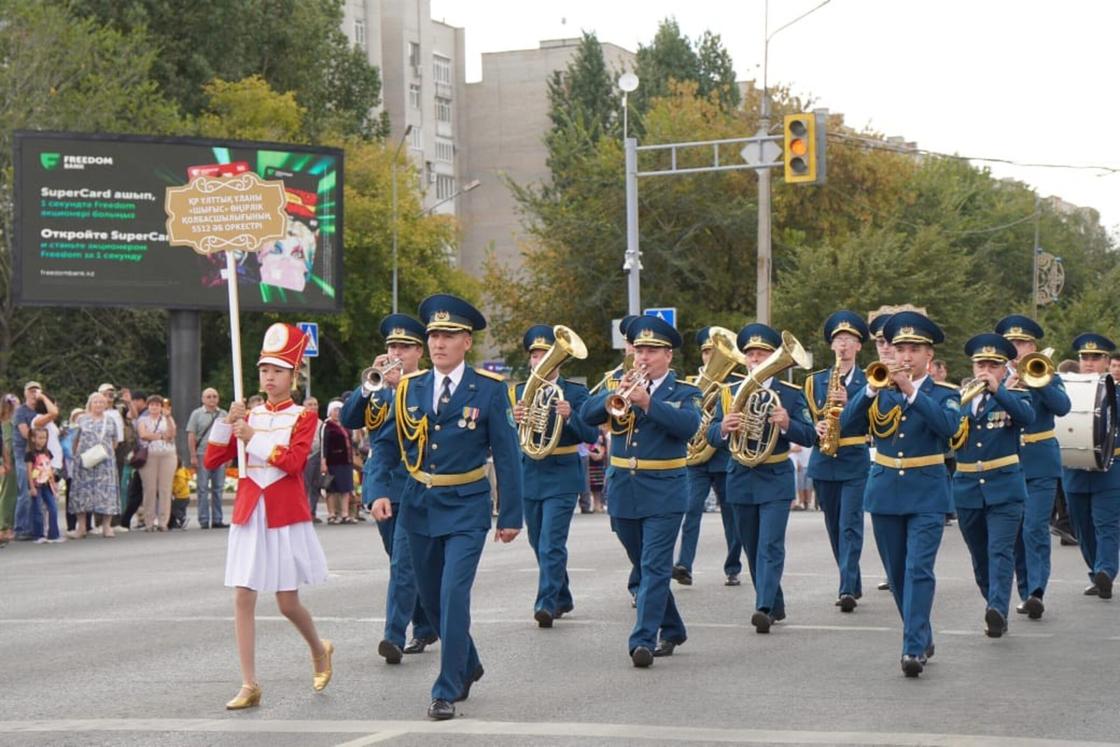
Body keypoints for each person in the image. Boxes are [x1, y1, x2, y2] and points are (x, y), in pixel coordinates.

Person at [369, 294, 522, 720]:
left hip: (466, 507)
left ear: (466, 342)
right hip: (418, 505)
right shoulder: (409, 390)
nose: (438, 343)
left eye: (448, 336)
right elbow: (385, 447)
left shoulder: (490, 391)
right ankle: (467, 663)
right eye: (434, 335)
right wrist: (378, 490)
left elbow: (508, 456)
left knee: (454, 595)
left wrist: (510, 515)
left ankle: (446, 688)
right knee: (433, 601)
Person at [205, 322, 332, 710]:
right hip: (249, 512)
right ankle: (249, 683)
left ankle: (319, 648)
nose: (269, 377)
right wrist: (228, 422)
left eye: (277, 370)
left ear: (294, 375)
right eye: (264, 370)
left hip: (283, 513)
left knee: (287, 602)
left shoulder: (304, 416)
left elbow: (293, 463)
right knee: (243, 595)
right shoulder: (249, 413)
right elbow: (212, 459)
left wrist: (251, 437)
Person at [841, 311, 959, 677]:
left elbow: (948, 428)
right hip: (886, 491)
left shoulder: (945, 394)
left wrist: (911, 391)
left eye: (914, 349)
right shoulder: (878, 390)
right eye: (900, 348)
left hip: (927, 491)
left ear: (928, 356)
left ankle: (912, 648)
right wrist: (870, 390)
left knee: (918, 569)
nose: (905, 356)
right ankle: (920, 632)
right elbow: (846, 425)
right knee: (896, 574)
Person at [582, 315, 701, 665]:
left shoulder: (685, 392)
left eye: (651, 350)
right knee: (646, 564)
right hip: (623, 490)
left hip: (665, 491)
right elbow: (583, 417)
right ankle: (673, 627)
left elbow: (689, 426)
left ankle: (643, 640)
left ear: (668, 355)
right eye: (639, 349)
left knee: (653, 566)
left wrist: (648, 403)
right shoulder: (616, 382)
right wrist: (612, 395)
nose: (643, 357)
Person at [339, 313, 437, 663]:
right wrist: (369, 386)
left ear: (419, 352)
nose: (396, 352)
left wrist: (399, 388)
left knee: (404, 564)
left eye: (404, 347)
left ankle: (393, 636)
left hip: (414, 482)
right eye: (392, 346)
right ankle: (425, 626)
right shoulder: (377, 386)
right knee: (402, 560)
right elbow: (349, 418)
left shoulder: (428, 384)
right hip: (382, 482)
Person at [707, 323, 816, 634]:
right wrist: (724, 428)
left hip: (775, 475)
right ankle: (774, 602)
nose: (756, 359)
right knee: (751, 546)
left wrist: (786, 424)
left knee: (770, 543)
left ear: (773, 357)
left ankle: (763, 606)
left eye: (762, 354)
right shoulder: (728, 392)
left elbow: (809, 436)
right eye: (751, 354)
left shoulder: (791, 395)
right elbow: (710, 435)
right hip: (740, 476)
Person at [511, 324, 598, 628]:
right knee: (538, 542)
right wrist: (515, 420)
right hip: (531, 473)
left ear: (558, 360)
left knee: (551, 543)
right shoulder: (519, 390)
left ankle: (546, 604)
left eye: (545, 355)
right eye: (534, 356)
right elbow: (508, 436)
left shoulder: (575, 392)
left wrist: (571, 416)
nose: (538, 361)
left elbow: (591, 434)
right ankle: (562, 595)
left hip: (562, 473)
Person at [950, 333, 1034, 638]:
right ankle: (992, 601)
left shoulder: (1017, 394)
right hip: (967, 486)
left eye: (992, 365)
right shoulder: (959, 399)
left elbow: (1027, 416)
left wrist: (1000, 391)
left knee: (1000, 550)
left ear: (1004, 368)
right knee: (979, 554)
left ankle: (997, 609)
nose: (985, 369)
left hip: (1005, 487)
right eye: (980, 364)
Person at [996, 315, 1070, 620]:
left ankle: (1037, 590)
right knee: (1014, 533)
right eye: (1012, 344)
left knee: (1035, 528)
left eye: (1022, 343)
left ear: (1033, 346)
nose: (1017, 348)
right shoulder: (997, 376)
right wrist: (1004, 389)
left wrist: (1037, 383)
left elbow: (1062, 407)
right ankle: (1027, 592)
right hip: (1008, 462)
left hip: (1040, 460)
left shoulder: (1046, 372)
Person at [804, 311, 871, 612]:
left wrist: (850, 401)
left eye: (849, 340)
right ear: (832, 346)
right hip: (824, 458)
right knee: (833, 526)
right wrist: (813, 429)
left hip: (854, 458)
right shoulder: (815, 381)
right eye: (838, 340)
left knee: (850, 525)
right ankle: (852, 580)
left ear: (859, 346)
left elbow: (877, 420)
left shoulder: (870, 381)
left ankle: (845, 587)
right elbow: (804, 418)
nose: (843, 345)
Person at [675, 326, 744, 588]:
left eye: (714, 352)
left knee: (731, 515)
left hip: (725, 457)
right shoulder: (691, 383)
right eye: (706, 352)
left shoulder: (735, 385)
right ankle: (685, 565)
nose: (709, 356)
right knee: (691, 510)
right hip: (697, 460)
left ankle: (733, 567)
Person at [1061, 333, 1120, 600]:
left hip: (1110, 468)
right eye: (1085, 358)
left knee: (1106, 523)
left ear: (1107, 363)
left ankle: (1106, 571)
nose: (1089, 363)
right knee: (1082, 526)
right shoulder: (1065, 393)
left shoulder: (1116, 393)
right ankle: (1096, 572)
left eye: (1096, 358)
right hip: (1074, 469)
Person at [68, 392, 120, 539]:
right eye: (95, 402)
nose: (98, 405)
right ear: (90, 404)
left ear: (106, 405)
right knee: (82, 492)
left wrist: (104, 452)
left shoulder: (110, 420)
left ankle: (106, 526)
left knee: (106, 492)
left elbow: (115, 441)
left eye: (101, 402)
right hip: (84, 461)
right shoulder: (81, 419)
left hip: (105, 461)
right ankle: (82, 527)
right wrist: (77, 455)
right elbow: (74, 440)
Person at [187, 388, 229, 529]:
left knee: (218, 488)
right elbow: (191, 435)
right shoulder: (197, 414)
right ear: (203, 399)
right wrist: (193, 455)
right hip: (202, 453)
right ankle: (203, 520)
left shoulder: (224, 414)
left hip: (220, 455)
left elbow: (229, 435)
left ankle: (217, 519)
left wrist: (229, 456)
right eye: (209, 396)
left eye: (214, 396)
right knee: (203, 488)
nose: (212, 399)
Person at [137, 395, 178, 532]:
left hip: (167, 455)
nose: (154, 407)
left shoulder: (167, 419)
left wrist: (168, 418)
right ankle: (149, 521)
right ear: (148, 407)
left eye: (157, 405)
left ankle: (163, 521)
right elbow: (143, 434)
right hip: (150, 455)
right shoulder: (143, 420)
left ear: (161, 407)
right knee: (149, 489)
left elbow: (172, 434)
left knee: (165, 489)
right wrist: (160, 436)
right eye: (152, 405)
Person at [12, 382, 42, 541]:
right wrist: (40, 437)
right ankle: (20, 528)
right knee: (25, 492)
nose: (34, 394)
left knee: (36, 492)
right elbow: (25, 433)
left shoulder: (40, 410)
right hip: (23, 456)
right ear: (25, 393)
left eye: (36, 391)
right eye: (31, 391)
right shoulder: (20, 412)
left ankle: (33, 527)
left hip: (38, 457)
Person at [25, 427, 61, 543]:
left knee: (53, 508)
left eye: (44, 438)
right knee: (38, 509)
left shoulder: (47, 453)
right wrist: (31, 487)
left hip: (47, 484)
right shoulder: (30, 454)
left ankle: (54, 534)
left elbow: (49, 469)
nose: (42, 440)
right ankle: (38, 534)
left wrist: (54, 483)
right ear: (33, 438)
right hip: (36, 485)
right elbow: (29, 471)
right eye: (39, 438)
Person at [321, 400, 354, 524]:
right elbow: (323, 444)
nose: (337, 413)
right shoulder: (327, 425)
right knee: (332, 488)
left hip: (346, 460)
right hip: (333, 460)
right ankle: (332, 514)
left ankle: (345, 514)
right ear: (330, 411)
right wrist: (323, 461)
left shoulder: (345, 424)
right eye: (335, 410)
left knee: (346, 488)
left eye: (339, 410)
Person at [302, 397, 322, 522]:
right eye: (310, 404)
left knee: (316, 485)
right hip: (306, 456)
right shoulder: (300, 420)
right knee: (305, 485)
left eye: (315, 404)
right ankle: (303, 513)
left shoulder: (320, 422)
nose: (313, 407)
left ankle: (312, 511)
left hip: (319, 455)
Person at [0, 395, 15, 545]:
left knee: (10, 495)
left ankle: (7, 527)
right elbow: (6, 444)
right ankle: (4, 527)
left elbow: (4, 445)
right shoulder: (5, 424)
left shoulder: (10, 423)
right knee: (7, 495)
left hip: (11, 461)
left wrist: (7, 461)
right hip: (7, 461)